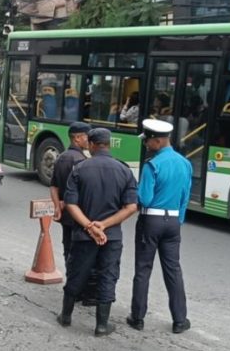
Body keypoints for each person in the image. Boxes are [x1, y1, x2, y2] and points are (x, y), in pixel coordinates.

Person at [61, 128, 138, 336]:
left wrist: (89, 226)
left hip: (83, 235)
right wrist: (104, 226)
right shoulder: (124, 170)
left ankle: (66, 317)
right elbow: (131, 207)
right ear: (109, 144)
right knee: (108, 276)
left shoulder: (80, 168)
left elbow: (70, 204)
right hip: (111, 236)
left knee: (77, 272)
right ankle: (102, 325)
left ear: (92, 144)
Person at [127, 119, 193, 334]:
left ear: (157, 140)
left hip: (151, 221)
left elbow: (144, 199)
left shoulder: (152, 165)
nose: (145, 144)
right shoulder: (185, 163)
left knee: (143, 269)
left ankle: (137, 318)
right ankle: (180, 320)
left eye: (147, 141)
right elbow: (185, 197)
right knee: (173, 270)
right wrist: (177, 220)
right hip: (173, 222)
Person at [51, 122, 92, 325]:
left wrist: (57, 208)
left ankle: (74, 287)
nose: (89, 140)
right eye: (86, 136)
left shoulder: (61, 158)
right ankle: (78, 291)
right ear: (77, 138)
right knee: (79, 255)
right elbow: (76, 192)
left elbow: (54, 187)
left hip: (67, 216)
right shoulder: (80, 161)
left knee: (69, 251)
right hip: (79, 215)